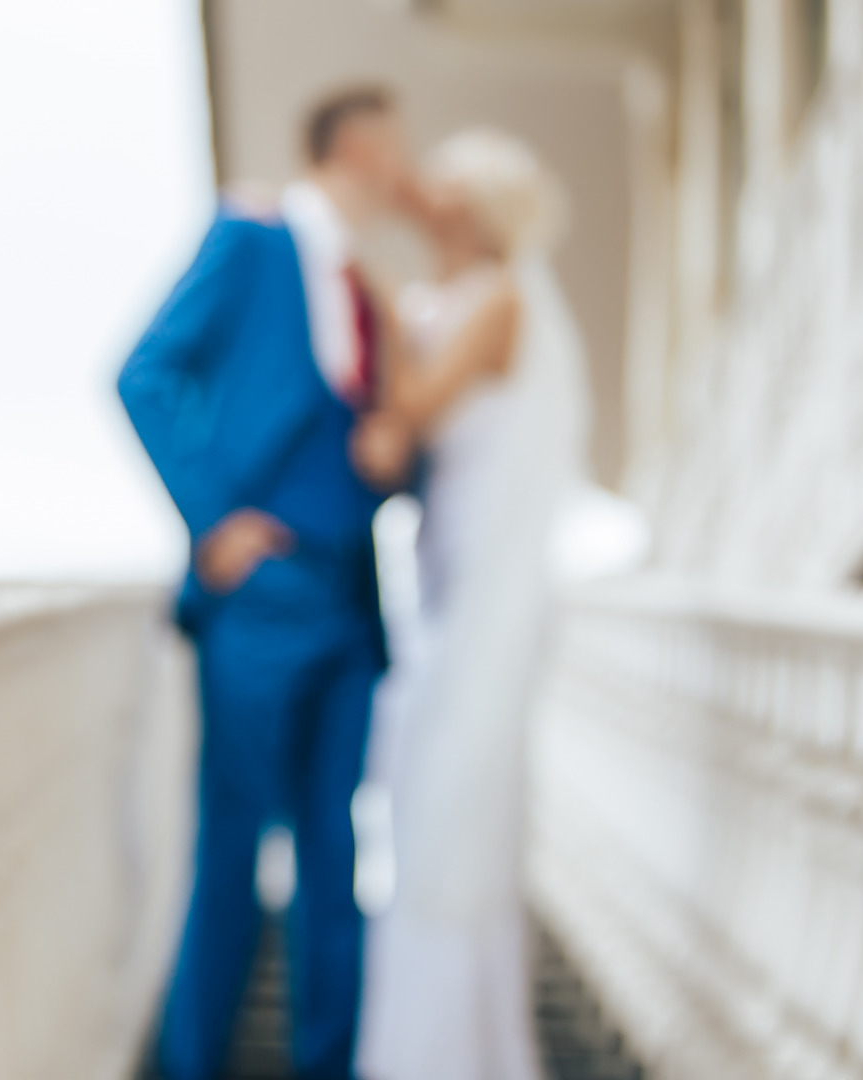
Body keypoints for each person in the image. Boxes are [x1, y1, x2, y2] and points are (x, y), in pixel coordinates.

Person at [117, 86, 404, 1080]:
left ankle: (330, 1066)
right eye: (395, 144)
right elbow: (143, 371)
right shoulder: (252, 237)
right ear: (358, 146)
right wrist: (213, 521)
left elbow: (360, 434)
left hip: (352, 598)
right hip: (261, 594)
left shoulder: (367, 290)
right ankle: (193, 1064)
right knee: (232, 847)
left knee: (336, 856)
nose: (404, 164)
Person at [352, 130, 591, 1080]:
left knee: (452, 808)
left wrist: (379, 307)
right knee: (426, 804)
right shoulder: (448, 301)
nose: (426, 187)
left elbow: (413, 414)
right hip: (438, 581)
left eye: (448, 179)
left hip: (479, 599)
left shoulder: (498, 301)